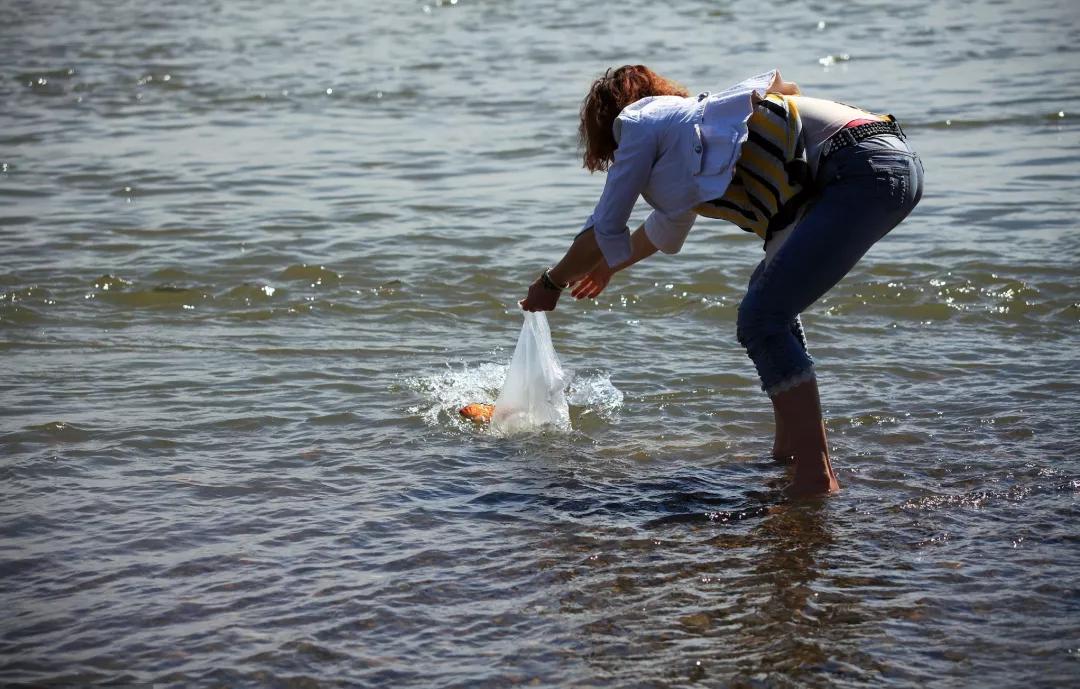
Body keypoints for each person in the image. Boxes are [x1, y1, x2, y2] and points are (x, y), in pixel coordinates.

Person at [518, 65, 924, 498]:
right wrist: (608, 267)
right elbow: (663, 228)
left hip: (858, 168)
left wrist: (551, 281)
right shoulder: (696, 139)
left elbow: (606, 222)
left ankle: (814, 474)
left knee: (760, 318)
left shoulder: (636, 120)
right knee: (769, 301)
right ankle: (789, 451)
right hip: (889, 163)